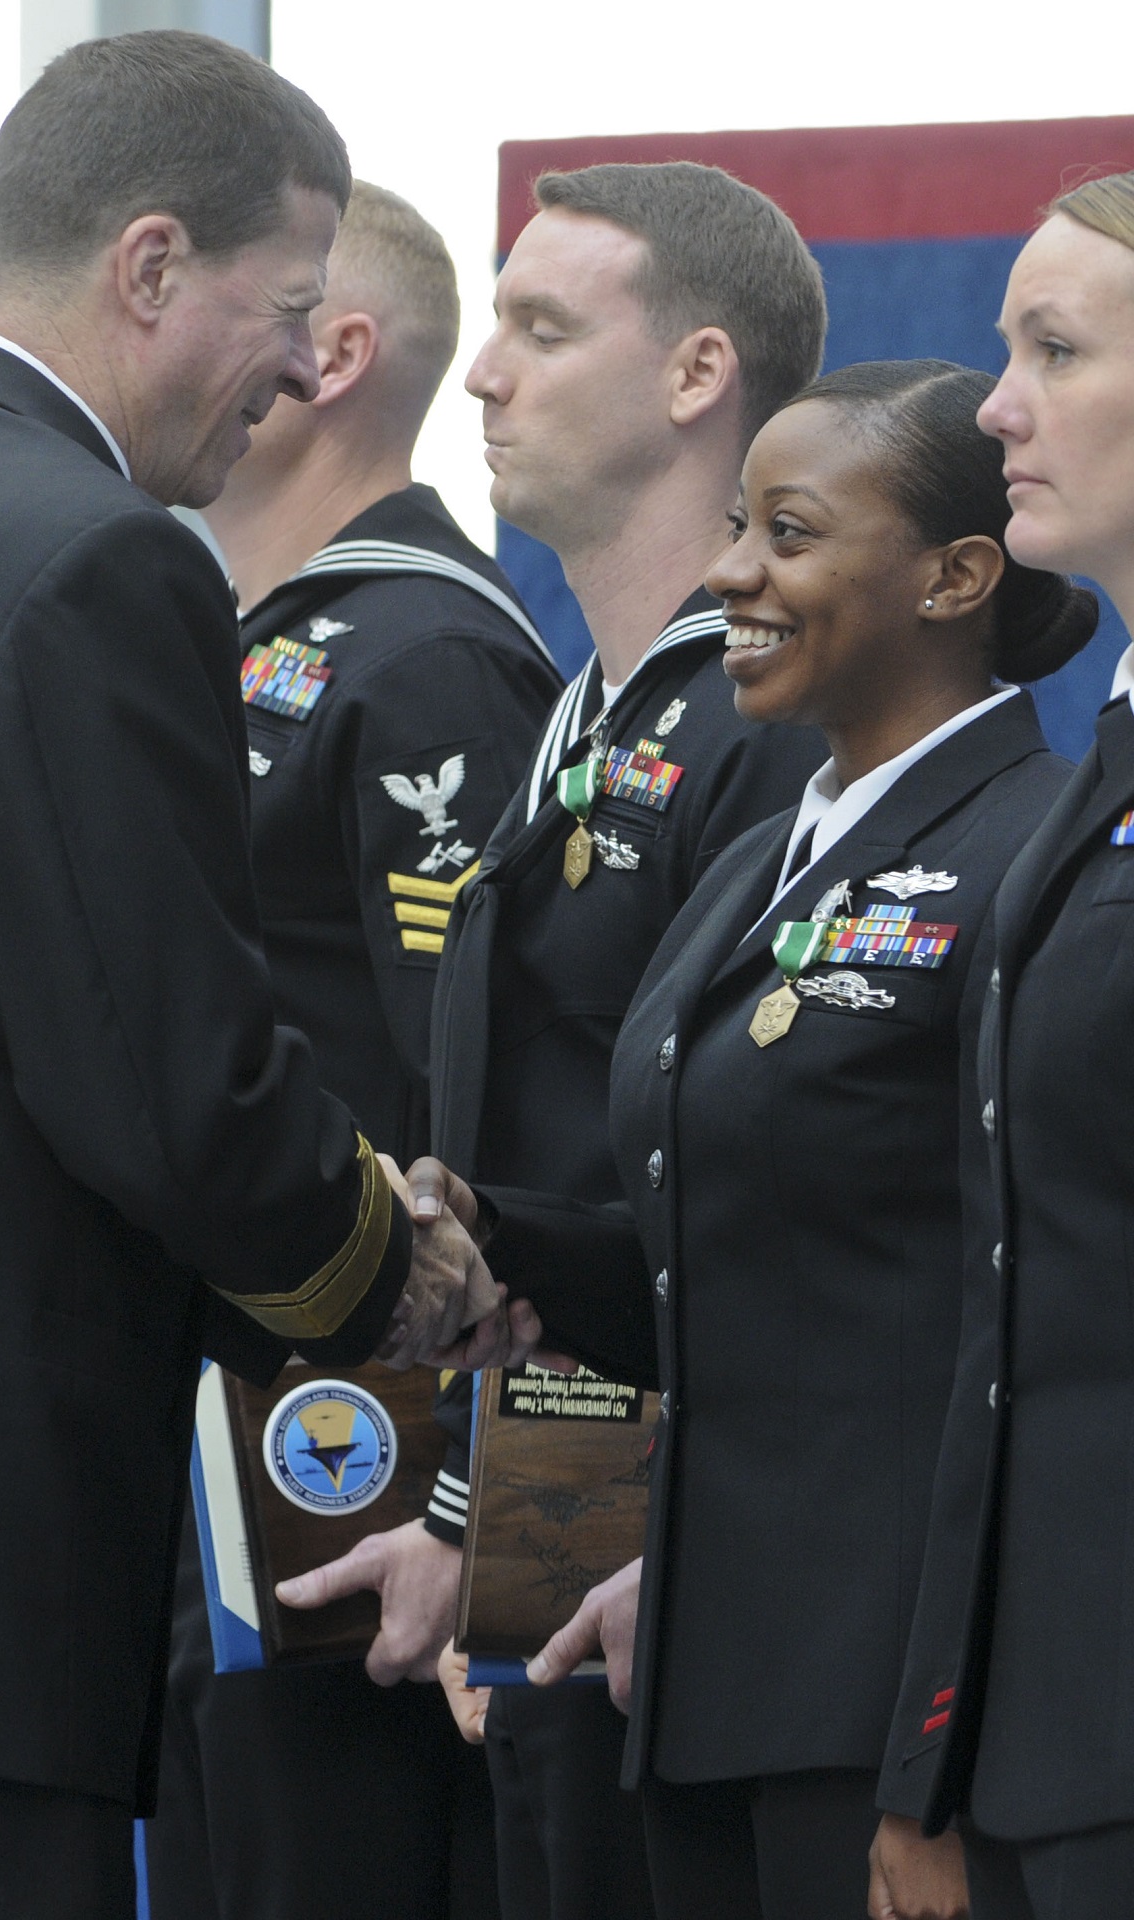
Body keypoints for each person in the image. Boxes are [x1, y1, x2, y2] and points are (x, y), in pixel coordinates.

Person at [0, 36, 528, 1920]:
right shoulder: (95, 565)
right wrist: (394, 1263)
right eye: (292, 307)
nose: (314, 370)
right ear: (151, 269)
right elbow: (170, 1081)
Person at [279, 161, 829, 1920]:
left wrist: (526, 1531)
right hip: (554, 1531)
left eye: (541, 326)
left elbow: (709, 1209)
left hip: (663, 1555)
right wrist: (467, 1515)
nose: (486, 377)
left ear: (697, 379)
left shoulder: (753, 730)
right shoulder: (589, 709)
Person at [504, 358, 1096, 1919]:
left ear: (957, 577)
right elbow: (709, 1259)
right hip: (706, 1683)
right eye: (732, 525)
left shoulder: (1039, 849)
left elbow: (1017, 1319)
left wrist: (939, 1746)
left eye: (788, 532)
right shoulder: (768, 850)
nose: (728, 575)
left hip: (897, 1705)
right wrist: (473, 1243)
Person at [144, 179, 560, 1920]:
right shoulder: (242, 637)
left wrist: (481, 1511)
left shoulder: (430, 653)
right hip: (209, 1447)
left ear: (330, 356)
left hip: (344, 1479)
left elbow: (484, 1123)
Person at [870, 173, 1134, 1920]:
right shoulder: (1092, 764)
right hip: (1058, 1717)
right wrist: (937, 1748)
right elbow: (1008, 1303)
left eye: (1054, 349)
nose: (995, 407)